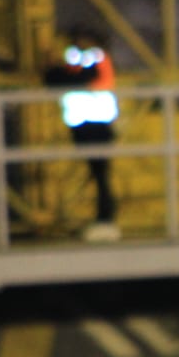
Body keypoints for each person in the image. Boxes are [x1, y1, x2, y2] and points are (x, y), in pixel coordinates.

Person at [44, 27, 120, 242]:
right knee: (95, 175)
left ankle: (105, 217)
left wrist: (58, 68)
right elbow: (53, 79)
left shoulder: (95, 58)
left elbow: (81, 78)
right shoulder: (75, 60)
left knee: (101, 176)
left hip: (98, 125)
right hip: (81, 125)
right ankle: (99, 217)